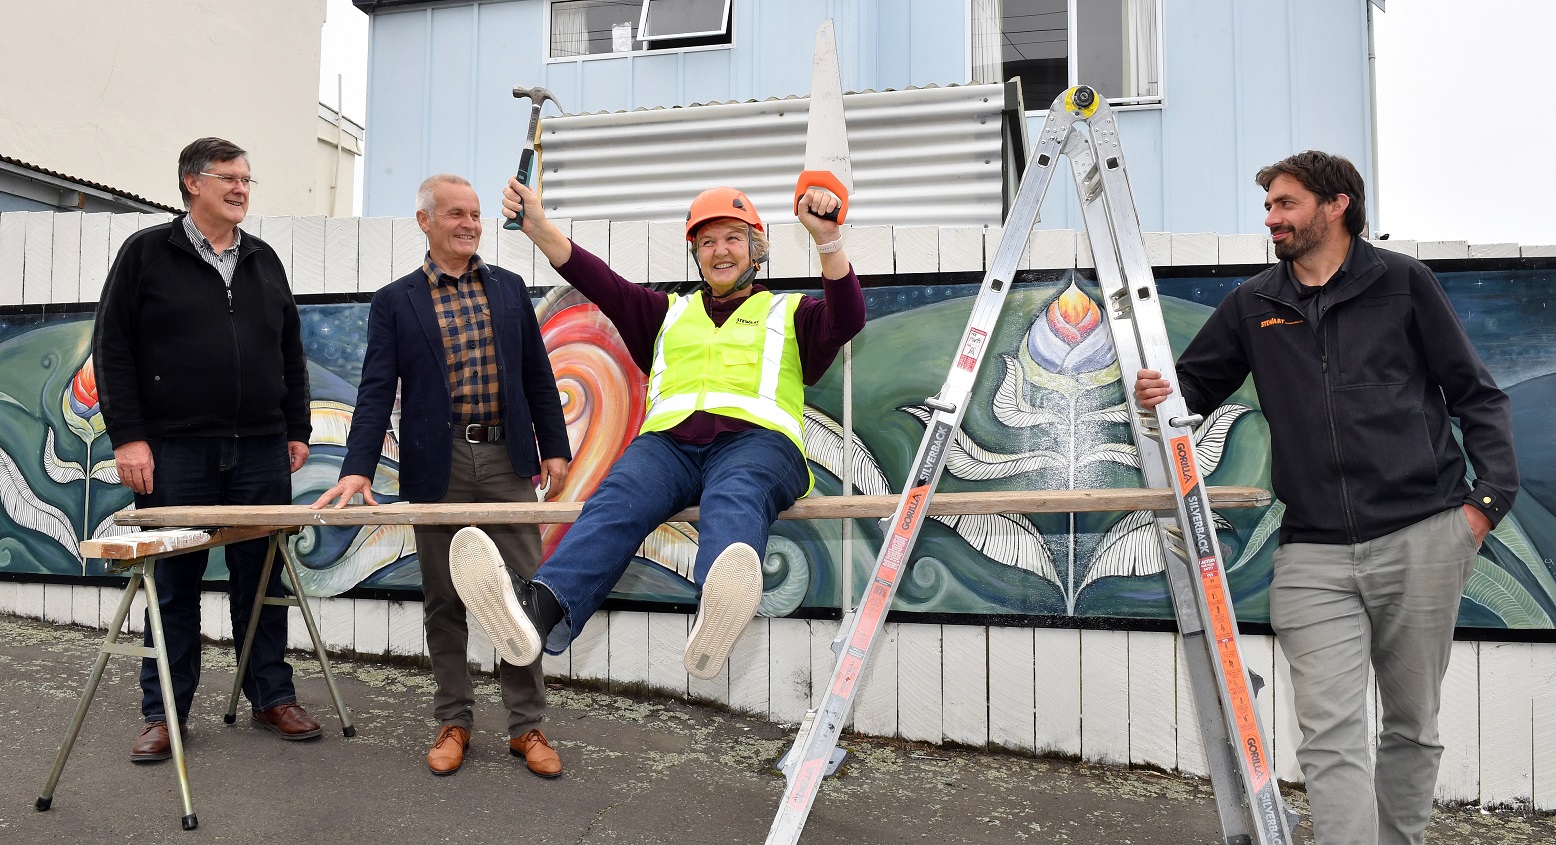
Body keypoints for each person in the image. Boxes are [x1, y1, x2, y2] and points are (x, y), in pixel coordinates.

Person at [1134, 151, 1518, 845]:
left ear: (1336, 204)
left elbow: (1476, 393)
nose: (1271, 218)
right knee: (1329, 731)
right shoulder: (1256, 303)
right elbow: (1190, 388)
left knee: (1410, 723)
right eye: (1270, 206)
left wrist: (1483, 507)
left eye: (1285, 204)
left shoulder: (1403, 284)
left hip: (1423, 534)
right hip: (1311, 551)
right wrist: (1157, 396)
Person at [447, 179, 863, 687]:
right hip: (668, 446)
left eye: (732, 237)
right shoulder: (668, 312)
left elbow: (848, 317)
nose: (719, 250)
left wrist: (828, 239)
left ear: (756, 250)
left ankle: (719, 601)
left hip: (758, 443)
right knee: (616, 501)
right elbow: (597, 279)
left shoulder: (791, 311)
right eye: (706, 242)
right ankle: (541, 608)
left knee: (738, 491)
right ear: (697, 256)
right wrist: (534, 223)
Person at [310, 174, 572, 778]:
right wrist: (356, 468)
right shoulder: (396, 301)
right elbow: (376, 391)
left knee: (520, 597)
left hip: (508, 462)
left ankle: (527, 728)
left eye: (476, 215)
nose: (470, 224)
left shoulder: (508, 290)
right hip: (438, 466)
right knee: (444, 600)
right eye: (456, 213)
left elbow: (538, 376)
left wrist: (554, 450)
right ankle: (453, 720)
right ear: (425, 220)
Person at [93, 137, 320, 762]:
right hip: (176, 451)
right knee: (173, 583)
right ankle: (164, 711)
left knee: (262, 577)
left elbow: (288, 353)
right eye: (229, 177)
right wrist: (129, 439)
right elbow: (112, 349)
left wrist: (295, 427)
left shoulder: (264, 260)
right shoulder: (146, 254)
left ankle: (271, 695)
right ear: (193, 183)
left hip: (262, 450)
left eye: (248, 178)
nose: (242, 188)